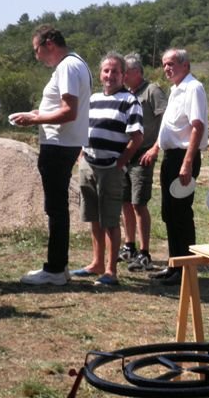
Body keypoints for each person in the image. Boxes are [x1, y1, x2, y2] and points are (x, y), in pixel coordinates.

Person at [19, 25, 91, 286]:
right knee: (57, 207)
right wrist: (39, 114)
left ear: (49, 43)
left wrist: (35, 119)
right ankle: (59, 266)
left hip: (59, 144)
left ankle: (55, 269)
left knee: (56, 208)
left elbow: (69, 111)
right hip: (64, 143)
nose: (37, 56)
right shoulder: (76, 63)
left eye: (36, 49)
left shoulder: (68, 67)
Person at [72, 52, 144, 286]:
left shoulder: (130, 101)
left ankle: (111, 271)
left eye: (115, 71)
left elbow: (137, 137)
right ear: (100, 73)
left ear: (123, 75)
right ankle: (97, 263)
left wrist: (120, 163)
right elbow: (83, 128)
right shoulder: (92, 99)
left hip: (111, 168)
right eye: (106, 70)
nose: (110, 75)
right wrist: (81, 156)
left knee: (110, 219)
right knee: (93, 217)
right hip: (88, 165)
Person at [142, 49, 208, 285]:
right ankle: (174, 266)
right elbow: (169, 127)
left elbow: (197, 126)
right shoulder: (174, 90)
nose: (167, 68)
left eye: (171, 64)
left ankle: (186, 270)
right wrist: (156, 147)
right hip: (171, 156)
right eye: (164, 64)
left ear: (185, 65)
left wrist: (187, 162)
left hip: (184, 157)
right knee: (169, 213)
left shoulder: (193, 88)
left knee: (181, 213)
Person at [118, 53, 168, 272]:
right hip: (125, 154)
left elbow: (165, 120)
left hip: (143, 154)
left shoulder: (152, 91)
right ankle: (129, 246)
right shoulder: (125, 93)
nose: (122, 76)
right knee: (125, 202)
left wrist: (155, 148)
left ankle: (145, 253)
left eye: (125, 72)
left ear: (137, 72)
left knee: (139, 203)